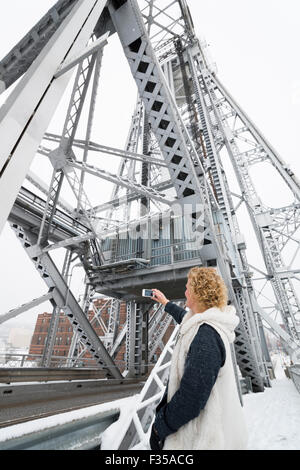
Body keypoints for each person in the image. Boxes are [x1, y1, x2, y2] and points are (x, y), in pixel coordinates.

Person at [149, 266, 248, 450]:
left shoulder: (206, 336)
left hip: (205, 441)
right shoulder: (206, 323)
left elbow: (191, 399)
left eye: (188, 287)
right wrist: (165, 302)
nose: (185, 291)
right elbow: (185, 318)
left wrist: (158, 429)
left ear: (197, 292)